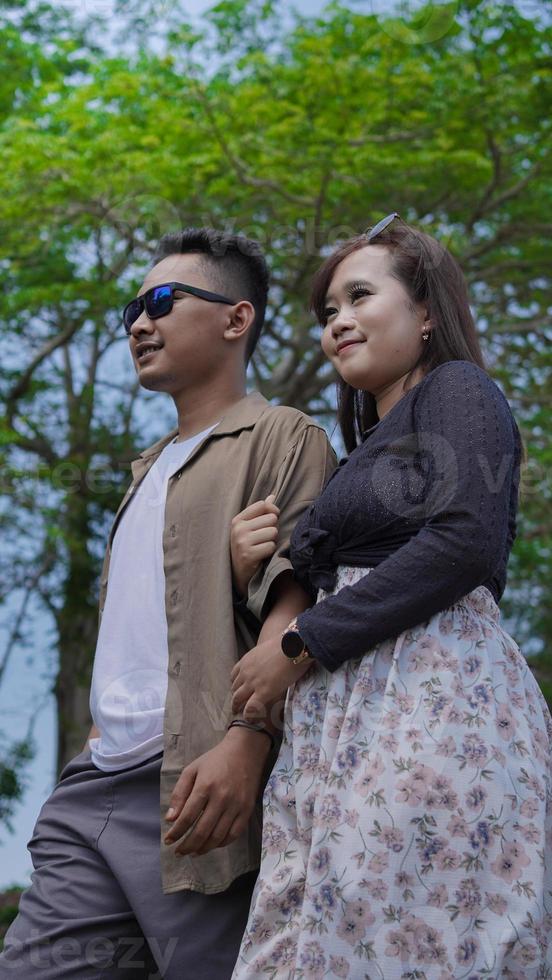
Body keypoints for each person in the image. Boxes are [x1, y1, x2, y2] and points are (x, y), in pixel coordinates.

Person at [0, 228, 335, 979]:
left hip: (198, 784)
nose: (138, 325)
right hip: (93, 788)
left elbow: (302, 598)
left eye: (160, 302)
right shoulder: (147, 469)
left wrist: (247, 740)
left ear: (235, 319)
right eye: (131, 310)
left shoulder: (282, 436)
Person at [229, 215, 552, 978]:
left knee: (417, 941)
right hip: (340, 724)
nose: (337, 320)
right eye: (327, 312)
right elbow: (313, 575)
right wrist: (256, 570)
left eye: (358, 296)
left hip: (432, 701)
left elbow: (465, 540)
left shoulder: (458, 388)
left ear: (427, 312)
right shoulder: (360, 458)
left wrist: (301, 643)